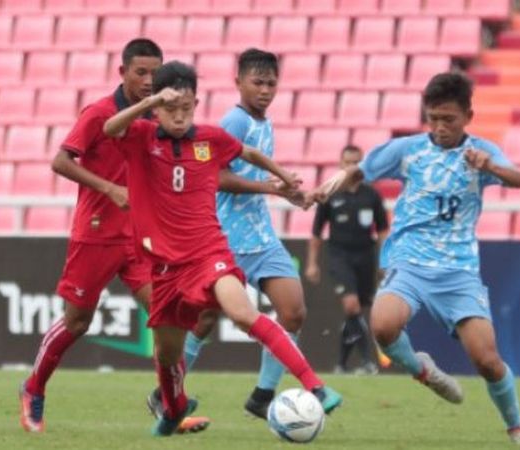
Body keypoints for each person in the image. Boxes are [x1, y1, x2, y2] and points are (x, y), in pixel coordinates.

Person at [103, 61, 342, 436]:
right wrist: (146, 105)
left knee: (244, 313)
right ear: (156, 108)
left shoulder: (210, 138)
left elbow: (248, 154)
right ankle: (172, 408)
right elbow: (109, 128)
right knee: (166, 356)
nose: (179, 117)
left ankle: (316, 385)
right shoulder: (141, 138)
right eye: (170, 109)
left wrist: (283, 180)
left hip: (209, 253)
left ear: (196, 103)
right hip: (165, 268)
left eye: (186, 108)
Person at [309, 72, 520, 445]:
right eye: (432, 118)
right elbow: (359, 171)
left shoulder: (481, 151)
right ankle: (423, 371)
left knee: (486, 360)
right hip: (410, 263)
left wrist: (489, 167)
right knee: (382, 326)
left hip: (458, 272)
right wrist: (327, 186)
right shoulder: (409, 150)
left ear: (468, 115)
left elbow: (519, 179)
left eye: (448, 119)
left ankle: (516, 424)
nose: (439, 127)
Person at [18, 38, 208, 434]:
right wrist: (108, 188)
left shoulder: (161, 118)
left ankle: (170, 406)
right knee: (77, 322)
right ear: (122, 72)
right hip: (97, 233)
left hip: (142, 239)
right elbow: (60, 161)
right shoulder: (100, 113)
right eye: (140, 72)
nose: (148, 80)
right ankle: (33, 388)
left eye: (155, 72)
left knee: (168, 320)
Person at [146, 48, 312, 421]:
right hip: (225, 237)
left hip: (262, 236)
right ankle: (164, 393)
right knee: (203, 320)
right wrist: (269, 189)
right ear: (238, 82)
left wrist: (295, 193)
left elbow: (261, 178)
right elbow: (214, 177)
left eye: (271, 83)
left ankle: (263, 395)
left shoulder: (263, 122)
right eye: (257, 83)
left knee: (294, 311)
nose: (265, 90)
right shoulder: (233, 123)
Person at [305, 145, 389, 375]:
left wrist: (385, 260)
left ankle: (341, 365)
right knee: (351, 305)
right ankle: (367, 361)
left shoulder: (372, 195)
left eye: (356, 162)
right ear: (340, 165)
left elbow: (382, 230)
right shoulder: (331, 195)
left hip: (365, 257)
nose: (352, 167)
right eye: (347, 162)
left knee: (355, 312)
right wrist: (312, 263)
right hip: (339, 256)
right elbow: (316, 233)